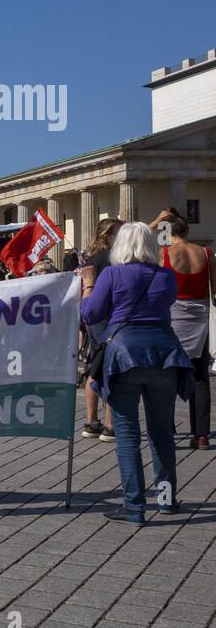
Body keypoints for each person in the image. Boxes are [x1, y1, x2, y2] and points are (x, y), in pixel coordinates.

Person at [80, 222, 193, 523]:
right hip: (163, 354)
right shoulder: (166, 275)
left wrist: (88, 286)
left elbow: (91, 314)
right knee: (162, 433)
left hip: (124, 356)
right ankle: (167, 500)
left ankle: (134, 506)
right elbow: (165, 304)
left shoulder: (113, 274)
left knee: (128, 434)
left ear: (121, 246)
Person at [150, 209, 215, 449]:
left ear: (169, 233)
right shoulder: (206, 253)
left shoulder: (164, 254)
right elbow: (214, 291)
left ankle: (166, 428)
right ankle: (201, 435)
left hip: (172, 317)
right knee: (200, 377)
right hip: (200, 317)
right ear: (187, 231)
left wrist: (156, 222)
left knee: (167, 374)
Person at [81, 217, 123, 441]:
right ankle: (110, 425)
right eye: (119, 232)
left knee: (94, 366)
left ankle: (90, 421)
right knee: (110, 369)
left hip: (92, 315)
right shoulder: (113, 259)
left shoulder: (90, 257)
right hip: (109, 317)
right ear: (108, 234)